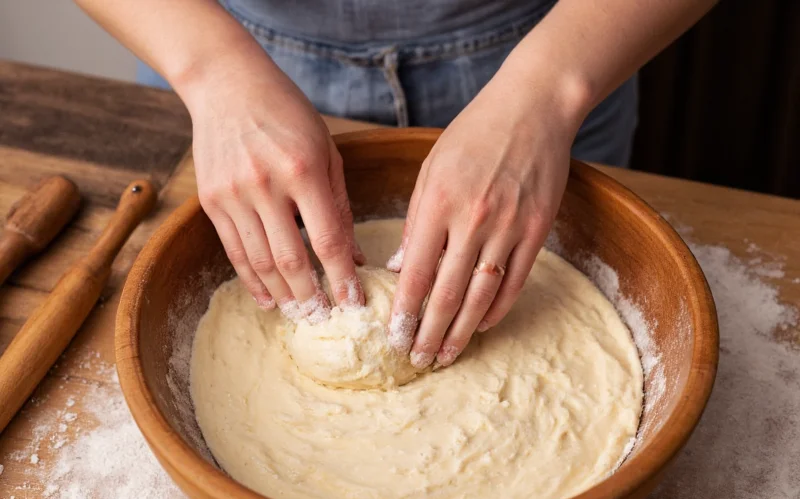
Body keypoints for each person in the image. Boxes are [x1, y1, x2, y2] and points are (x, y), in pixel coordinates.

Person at [77, 0, 715, 368]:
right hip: (215, 53)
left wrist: (549, 92)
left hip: (569, 47)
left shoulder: (555, 80)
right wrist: (210, 69)